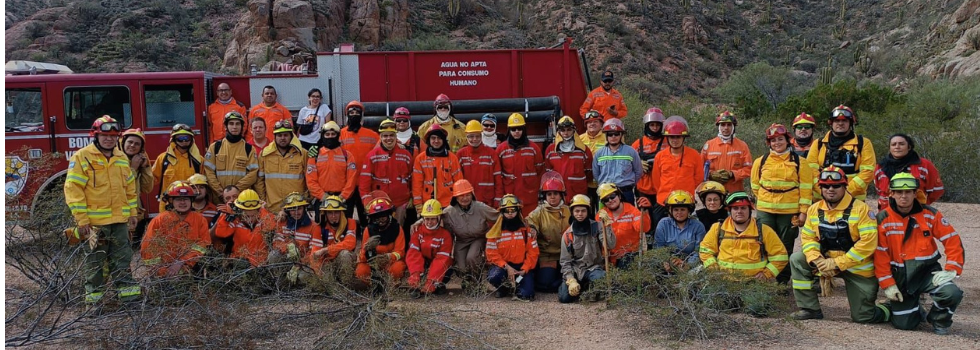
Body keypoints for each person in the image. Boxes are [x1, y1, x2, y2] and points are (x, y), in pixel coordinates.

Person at [788, 166, 888, 324]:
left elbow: (867, 244)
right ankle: (809, 308)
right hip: (826, 261)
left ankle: (889, 308)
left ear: (845, 186)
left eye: (836, 185)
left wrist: (836, 263)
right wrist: (816, 259)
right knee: (797, 259)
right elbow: (808, 238)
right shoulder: (814, 209)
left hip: (857, 268)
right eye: (825, 186)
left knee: (864, 317)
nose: (830, 189)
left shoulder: (861, 210)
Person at [64, 116, 142, 304]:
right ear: (95, 136)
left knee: (123, 260)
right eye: (105, 135)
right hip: (95, 225)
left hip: (119, 223)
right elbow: (73, 189)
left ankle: (128, 298)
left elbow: (130, 189)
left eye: (113, 136)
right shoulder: (82, 157)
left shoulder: (121, 158)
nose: (109, 139)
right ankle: (94, 302)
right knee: (95, 263)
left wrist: (132, 213)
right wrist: (81, 220)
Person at [875, 173, 965, 334]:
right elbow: (880, 255)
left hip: (926, 272)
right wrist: (887, 284)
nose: (904, 196)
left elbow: (952, 240)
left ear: (915, 193)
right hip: (900, 276)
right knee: (905, 325)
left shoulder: (930, 214)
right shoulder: (883, 218)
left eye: (908, 192)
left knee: (951, 293)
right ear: (892, 194)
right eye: (899, 192)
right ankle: (914, 308)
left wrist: (952, 268)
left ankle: (939, 320)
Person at [750, 123, 814, 284]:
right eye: (773, 140)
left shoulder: (800, 162)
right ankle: (764, 278)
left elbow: (806, 188)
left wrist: (803, 212)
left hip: (789, 212)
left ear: (788, 140)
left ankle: (783, 281)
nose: (777, 143)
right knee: (764, 244)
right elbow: (755, 185)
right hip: (766, 210)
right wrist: (767, 199)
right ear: (768, 143)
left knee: (785, 245)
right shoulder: (761, 161)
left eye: (780, 139)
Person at [699, 192, 788, 279]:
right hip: (724, 283)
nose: (739, 211)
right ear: (730, 211)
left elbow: (780, 256)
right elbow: (705, 251)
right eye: (735, 208)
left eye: (743, 208)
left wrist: (766, 274)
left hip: (754, 284)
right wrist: (714, 270)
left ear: (750, 210)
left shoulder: (764, 230)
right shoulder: (718, 228)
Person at [141, 181, 210, 278]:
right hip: (164, 273)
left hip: (191, 268)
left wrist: (182, 262)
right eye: (178, 199)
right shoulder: (159, 221)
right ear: (171, 201)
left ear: (191, 200)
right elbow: (149, 248)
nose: (182, 202)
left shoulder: (200, 220)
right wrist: (162, 272)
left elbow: (203, 245)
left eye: (186, 199)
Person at [806, 105, 876, 200]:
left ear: (850, 123)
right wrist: (824, 191)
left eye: (844, 121)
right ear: (831, 123)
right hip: (822, 200)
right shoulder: (818, 144)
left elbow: (868, 172)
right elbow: (810, 171)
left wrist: (846, 191)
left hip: (853, 200)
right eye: (837, 121)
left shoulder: (863, 143)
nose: (840, 123)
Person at [440, 180, 498, 289]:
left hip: (479, 238)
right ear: (455, 197)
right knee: (461, 266)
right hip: (462, 240)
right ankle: (467, 280)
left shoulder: (480, 207)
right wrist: (418, 223)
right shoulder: (449, 211)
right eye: (461, 195)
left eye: (468, 195)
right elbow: (434, 218)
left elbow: (499, 217)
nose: (465, 198)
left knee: (471, 257)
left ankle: (476, 283)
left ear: (472, 195)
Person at [558, 195, 615, 303]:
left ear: (588, 211)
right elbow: (565, 262)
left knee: (601, 278)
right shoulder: (567, 235)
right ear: (572, 212)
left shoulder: (598, 227)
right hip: (576, 270)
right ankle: (579, 286)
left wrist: (607, 226)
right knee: (565, 298)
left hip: (594, 269)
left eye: (583, 211)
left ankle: (590, 286)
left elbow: (610, 245)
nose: (580, 214)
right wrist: (570, 280)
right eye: (577, 211)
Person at [485, 194, 540, 301]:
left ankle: (518, 284)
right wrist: (507, 267)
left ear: (518, 210)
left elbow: (533, 253)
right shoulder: (495, 233)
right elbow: (491, 254)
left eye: (513, 210)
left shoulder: (527, 231)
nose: (510, 213)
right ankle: (504, 288)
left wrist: (524, 270)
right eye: (506, 210)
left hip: (521, 270)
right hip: (504, 269)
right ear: (502, 212)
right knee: (494, 276)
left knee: (526, 295)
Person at [360, 119, 413, 225]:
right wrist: (368, 204)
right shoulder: (372, 156)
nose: (388, 138)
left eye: (391, 135)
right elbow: (364, 184)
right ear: (380, 137)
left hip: (401, 204)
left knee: (399, 233)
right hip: (379, 205)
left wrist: (412, 198)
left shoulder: (406, 155)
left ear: (396, 136)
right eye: (385, 136)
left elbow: (413, 179)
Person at [525, 173, 571, 293]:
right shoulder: (539, 211)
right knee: (545, 283)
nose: (552, 197)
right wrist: (532, 229)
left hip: (566, 255)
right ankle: (559, 279)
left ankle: (562, 278)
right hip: (547, 254)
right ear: (544, 196)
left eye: (555, 193)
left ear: (561, 195)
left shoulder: (569, 210)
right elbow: (530, 221)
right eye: (549, 194)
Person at [873, 133, 944, 210]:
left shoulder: (924, 165)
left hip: (917, 212)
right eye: (893, 144)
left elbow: (937, 190)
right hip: (887, 213)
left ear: (909, 147)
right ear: (889, 148)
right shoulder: (880, 167)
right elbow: (879, 190)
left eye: (901, 144)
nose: (897, 147)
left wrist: (922, 204)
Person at [306, 121, 358, 221]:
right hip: (322, 199)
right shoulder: (315, 156)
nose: (330, 137)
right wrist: (323, 196)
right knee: (322, 231)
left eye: (333, 134)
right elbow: (311, 181)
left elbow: (351, 180)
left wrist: (342, 197)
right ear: (323, 136)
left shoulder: (347, 155)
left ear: (338, 136)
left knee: (344, 229)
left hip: (343, 200)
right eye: (327, 134)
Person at [496, 113, 544, 216]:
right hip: (509, 198)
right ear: (509, 130)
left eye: (519, 128)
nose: (516, 132)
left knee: (530, 225)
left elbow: (540, 172)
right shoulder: (501, 149)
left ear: (524, 129)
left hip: (529, 197)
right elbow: (497, 175)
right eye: (513, 129)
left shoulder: (534, 148)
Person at [339, 100, 379, 222]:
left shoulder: (372, 135)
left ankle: (365, 235)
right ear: (347, 114)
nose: (354, 114)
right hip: (347, 183)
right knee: (346, 214)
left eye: (357, 112)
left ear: (361, 115)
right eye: (351, 112)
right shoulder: (340, 135)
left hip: (365, 183)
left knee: (366, 213)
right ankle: (347, 236)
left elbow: (385, 145)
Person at [255, 119, 307, 213]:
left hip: (296, 208)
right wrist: (264, 202)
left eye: (286, 135)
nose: (282, 138)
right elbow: (259, 181)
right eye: (279, 135)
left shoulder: (302, 154)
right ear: (274, 136)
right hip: (272, 209)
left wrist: (305, 200)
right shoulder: (265, 154)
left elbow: (310, 180)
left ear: (292, 136)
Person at [269, 192, 321, 285]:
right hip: (287, 258)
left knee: (302, 277)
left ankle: (298, 285)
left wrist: (299, 264)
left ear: (304, 208)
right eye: (293, 209)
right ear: (287, 210)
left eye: (299, 208)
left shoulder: (314, 227)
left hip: (305, 262)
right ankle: (280, 282)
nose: (296, 212)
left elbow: (314, 252)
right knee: (273, 255)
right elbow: (276, 243)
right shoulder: (282, 223)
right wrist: (288, 247)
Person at [652, 116, 704, 208]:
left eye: (678, 137)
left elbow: (698, 178)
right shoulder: (660, 156)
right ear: (667, 138)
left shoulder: (694, 155)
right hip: (664, 201)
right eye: (672, 137)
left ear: (684, 137)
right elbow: (656, 181)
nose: (675, 140)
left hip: (686, 201)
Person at [213, 189, 274, 268]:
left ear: (259, 210)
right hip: (239, 260)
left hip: (261, 262)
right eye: (247, 216)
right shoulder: (236, 220)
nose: (250, 219)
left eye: (253, 216)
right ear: (240, 211)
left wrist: (263, 210)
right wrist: (226, 217)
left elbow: (273, 225)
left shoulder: (265, 218)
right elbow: (221, 233)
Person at [203, 111, 259, 196]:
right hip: (219, 198)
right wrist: (220, 192)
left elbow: (253, 173)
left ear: (242, 127)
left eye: (237, 124)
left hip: (241, 197)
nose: (234, 127)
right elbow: (208, 171)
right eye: (231, 124)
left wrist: (235, 191)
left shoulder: (249, 149)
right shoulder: (215, 147)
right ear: (226, 126)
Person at [406, 199, 455, 296]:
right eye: (427, 219)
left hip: (438, 267)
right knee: (414, 266)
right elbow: (413, 254)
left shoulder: (445, 235)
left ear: (439, 218)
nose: (429, 222)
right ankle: (418, 283)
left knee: (448, 269)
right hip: (422, 266)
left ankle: (437, 284)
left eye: (433, 219)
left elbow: (442, 260)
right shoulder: (417, 232)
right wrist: (415, 275)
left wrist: (431, 281)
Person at [596, 183, 651, 268]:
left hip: (629, 256)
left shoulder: (632, 211)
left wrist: (644, 213)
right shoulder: (601, 215)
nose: (610, 200)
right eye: (606, 199)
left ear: (619, 196)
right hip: (609, 259)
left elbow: (644, 228)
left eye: (613, 196)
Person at [355, 197, 408, 286]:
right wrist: (367, 250)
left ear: (389, 215)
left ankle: (389, 285)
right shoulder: (368, 230)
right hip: (373, 264)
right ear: (372, 218)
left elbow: (400, 252)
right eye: (377, 218)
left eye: (383, 217)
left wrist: (389, 257)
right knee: (361, 271)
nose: (381, 221)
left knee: (397, 268)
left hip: (390, 263)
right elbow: (362, 257)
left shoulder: (397, 229)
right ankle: (372, 285)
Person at [153, 124, 203, 212]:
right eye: (180, 138)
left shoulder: (198, 161)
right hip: (168, 206)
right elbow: (152, 180)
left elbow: (204, 186)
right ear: (173, 140)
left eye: (187, 138)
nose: (184, 141)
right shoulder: (163, 159)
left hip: (190, 206)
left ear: (192, 140)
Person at [591, 118, 642, 205]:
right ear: (606, 136)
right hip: (605, 194)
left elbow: (638, 171)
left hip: (626, 192)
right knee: (604, 217)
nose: (613, 137)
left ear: (621, 135)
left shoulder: (631, 151)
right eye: (610, 134)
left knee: (627, 218)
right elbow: (596, 173)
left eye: (616, 134)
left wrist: (628, 184)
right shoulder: (599, 153)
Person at [633, 108, 667, 236]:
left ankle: (659, 249)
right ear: (647, 125)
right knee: (646, 222)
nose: (654, 127)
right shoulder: (638, 144)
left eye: (657, 125)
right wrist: (638, 165)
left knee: (660, 222)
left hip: (661, 190)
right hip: (643, 189)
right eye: (652, 124)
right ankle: (648, 250)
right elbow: (628, 164)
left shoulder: (667, 142)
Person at [413, 124, 464, 211]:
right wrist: (418, 204)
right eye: (433, 138)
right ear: (429, 140)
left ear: (443, 140)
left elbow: (458, 181)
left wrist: (459, 200)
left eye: (439, 138)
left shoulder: (452, 158)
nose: (436, 141)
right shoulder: (420, 159)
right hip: (428, 203)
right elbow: (417, 183)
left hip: (449, 203)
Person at [310, 196, 358, 284]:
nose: (333, 216)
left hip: (343, 261)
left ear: (341, 213)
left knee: (345, 254)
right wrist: (318, 274)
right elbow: (315, 254)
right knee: (324, 281)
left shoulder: (350, 223)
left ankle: (346, 284)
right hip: (327, 263)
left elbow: (350, 243)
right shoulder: (319, 228)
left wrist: (326, 249)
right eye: (330, 213)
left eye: (336, 212)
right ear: (325, 214)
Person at [544, 116, 593, 203]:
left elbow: (588, 172)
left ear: (574, 130)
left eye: (569, 129)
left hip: (578, 192)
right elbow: (548, 172)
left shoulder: (583, 150)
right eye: (563, 130)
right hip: (558, 193)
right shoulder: (551, 150)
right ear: (558, 131)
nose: (566, 133)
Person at [654, 190, 706, 269]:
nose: (679, 213)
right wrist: (667, 261)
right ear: (670, 211)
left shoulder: (698, 226)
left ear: (689, 211)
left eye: (682, 209)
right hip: (667, 265)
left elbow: (699, 251)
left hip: (691, 266)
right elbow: (659, 247)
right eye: (676, 210)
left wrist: (687, 265)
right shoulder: (663, 224)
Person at [702, 111, 752, 193]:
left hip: (735, 192)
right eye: (723, 125)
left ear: (733, 127)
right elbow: (700, 168)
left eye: (729, 125)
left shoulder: (742, 146)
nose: (726, 128)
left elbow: (749, 169)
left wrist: (733, 174)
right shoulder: (709, 145)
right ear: (719, 127)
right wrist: (710, 174)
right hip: (714, 192)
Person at [119, 128, 154, 247]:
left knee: (133, 247)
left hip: (135, 208)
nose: (132, 146)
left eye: (137, 144)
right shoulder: (115, 160)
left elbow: (147, 188)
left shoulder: (139, 160)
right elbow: (122, 186)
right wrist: (133, 169)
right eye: (130, 142)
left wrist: (144, 168)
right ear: (123, 143)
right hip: (119, 209)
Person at [457, 119, 504, 205]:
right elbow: (457, 181)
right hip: (466, 202)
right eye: (471, 136)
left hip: (487, 202)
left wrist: (498, 200)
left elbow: (498, 180)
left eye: (477, 136)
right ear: (466, 136)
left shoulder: (491, 154)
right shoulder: (461, 154)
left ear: (481, 136)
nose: (474, 139)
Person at [579, 110, 606, 206]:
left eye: (595, 121)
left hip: (603, 183)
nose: (592, 124)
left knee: (603, 213)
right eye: (589, 122)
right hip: (586, 183)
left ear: (601, 124)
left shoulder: (609, 138)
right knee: (587, 211)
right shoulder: (579, 139)